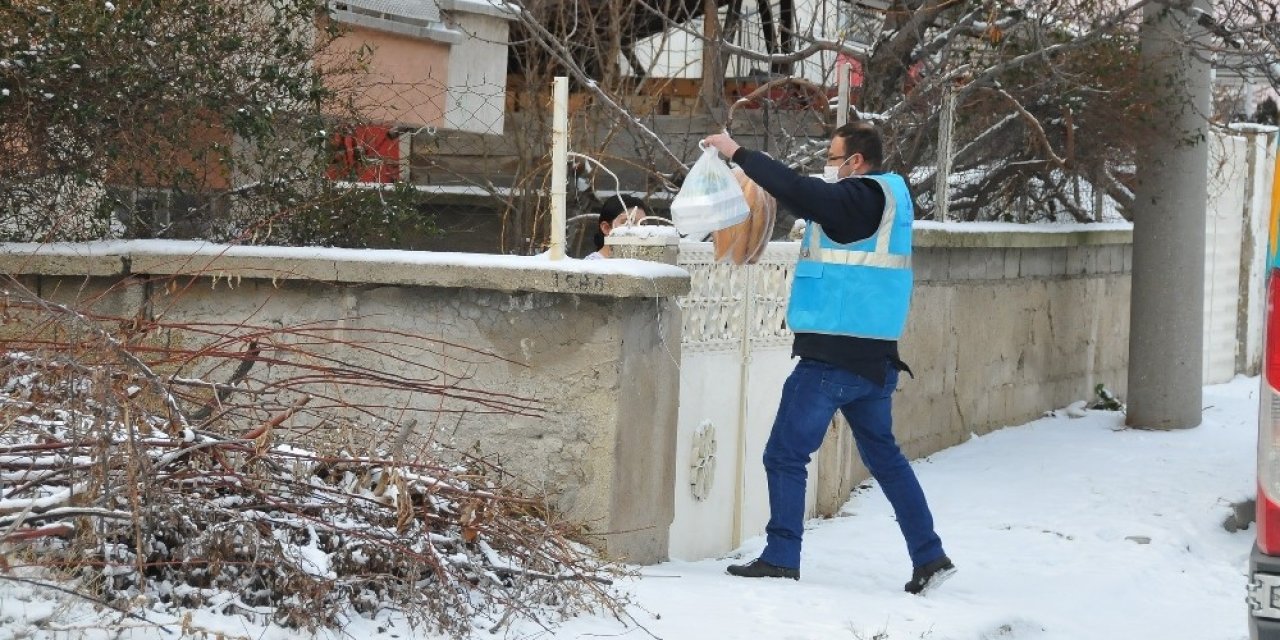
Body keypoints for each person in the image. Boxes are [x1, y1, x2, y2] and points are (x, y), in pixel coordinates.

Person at [701, 122, 954, 594]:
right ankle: (930, 555)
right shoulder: (891, 197)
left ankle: (781, 555)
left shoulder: (857, 199)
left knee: (784, 453)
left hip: (833, 361)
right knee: (888, 461)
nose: (828, 164)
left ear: (856, 161)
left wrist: (738, 151)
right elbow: (811, 200)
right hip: (875, 360)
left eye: (834, 157)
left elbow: (799, 190)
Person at [584, 194, 650, 260]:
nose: (637, 230)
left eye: (643, 224)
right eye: (629, 223)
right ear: (606, 228)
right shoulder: (591, 266)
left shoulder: (644, 264)